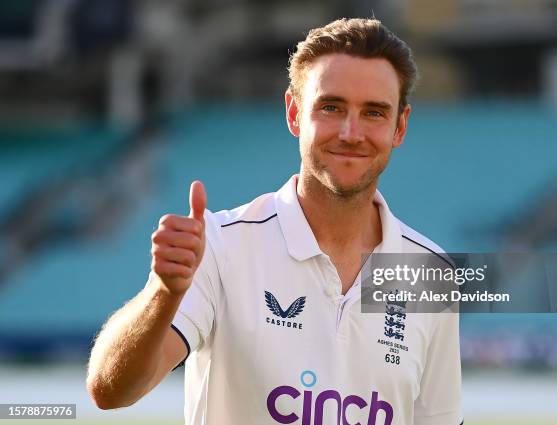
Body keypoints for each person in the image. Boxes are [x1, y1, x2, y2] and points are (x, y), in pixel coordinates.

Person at [87, 18, 463, 425]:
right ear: (294, 113)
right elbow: (111, 391)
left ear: (399, 127)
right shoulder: (221, 245)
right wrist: (163, 293)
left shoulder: (429, 272)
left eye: (373, 112)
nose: (352, 133)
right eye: (331, 107)